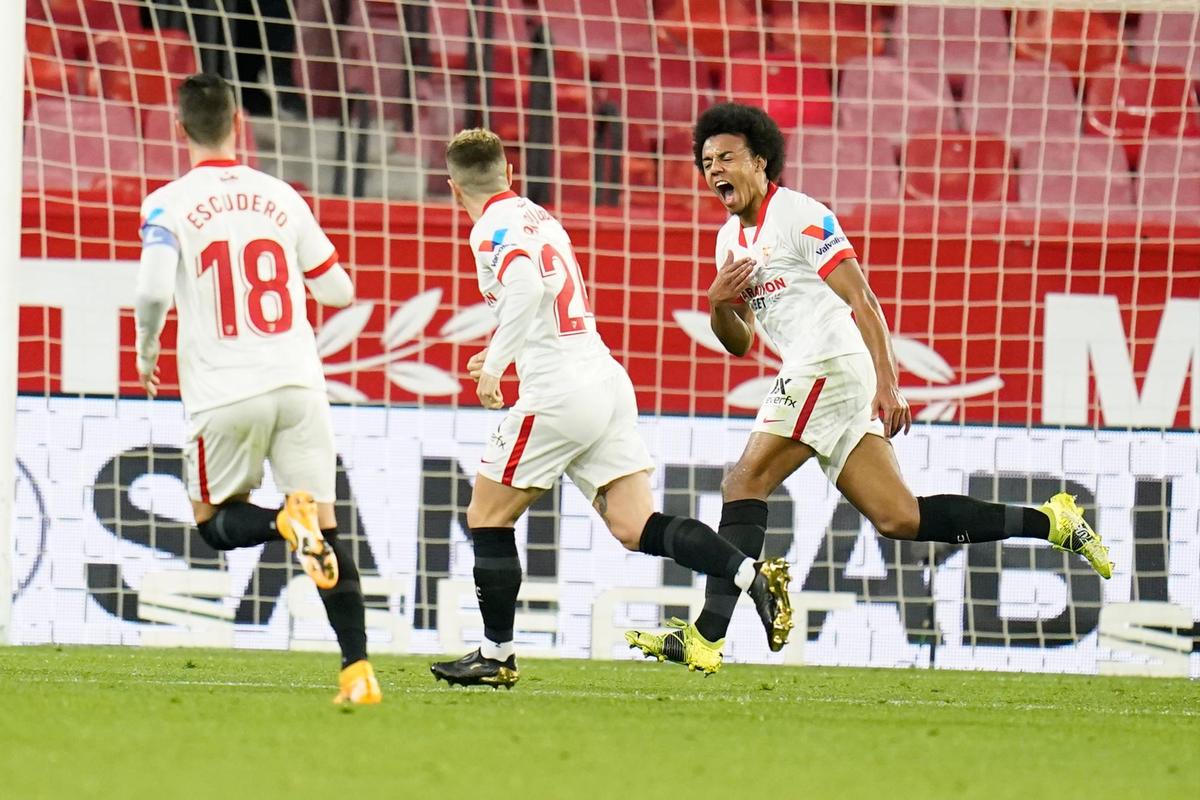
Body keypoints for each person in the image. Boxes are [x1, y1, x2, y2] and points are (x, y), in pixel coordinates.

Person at [626, 102, 1113, 674]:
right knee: (899, 517)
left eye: (726, 157)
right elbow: (738, 342)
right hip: (817, 373)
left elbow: (864, 300)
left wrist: (890, 383)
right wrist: (717, 303)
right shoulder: (729, 241)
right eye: (706, 162)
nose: (714, 170)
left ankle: (706, 637)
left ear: (760, 161)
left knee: (743, 482)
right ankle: (1052, 522)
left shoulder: (802, 216)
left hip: (827, 365)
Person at [429, 128, 793, 687]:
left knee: (486, 516)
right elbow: (544, 305)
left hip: (557, 395)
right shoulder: (536, 216)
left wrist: (501, 363)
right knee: (634, 524)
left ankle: (496, 655)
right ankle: (749, 574)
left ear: (454, 189)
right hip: (602, 380)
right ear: (511, 174)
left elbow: (525, 289)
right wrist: (505, 352)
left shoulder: (489, 230)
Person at [134, 73, 381, 704]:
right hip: (299, 381)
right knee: (326, 527)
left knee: (214, 521)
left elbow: (156, 289)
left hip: (225, 388)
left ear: (179, 127)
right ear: (239, 124)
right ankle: (358, 672)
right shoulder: (283, 196)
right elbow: (340, 291)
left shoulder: (168, 202)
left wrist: (148, 345)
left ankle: (281, 522)